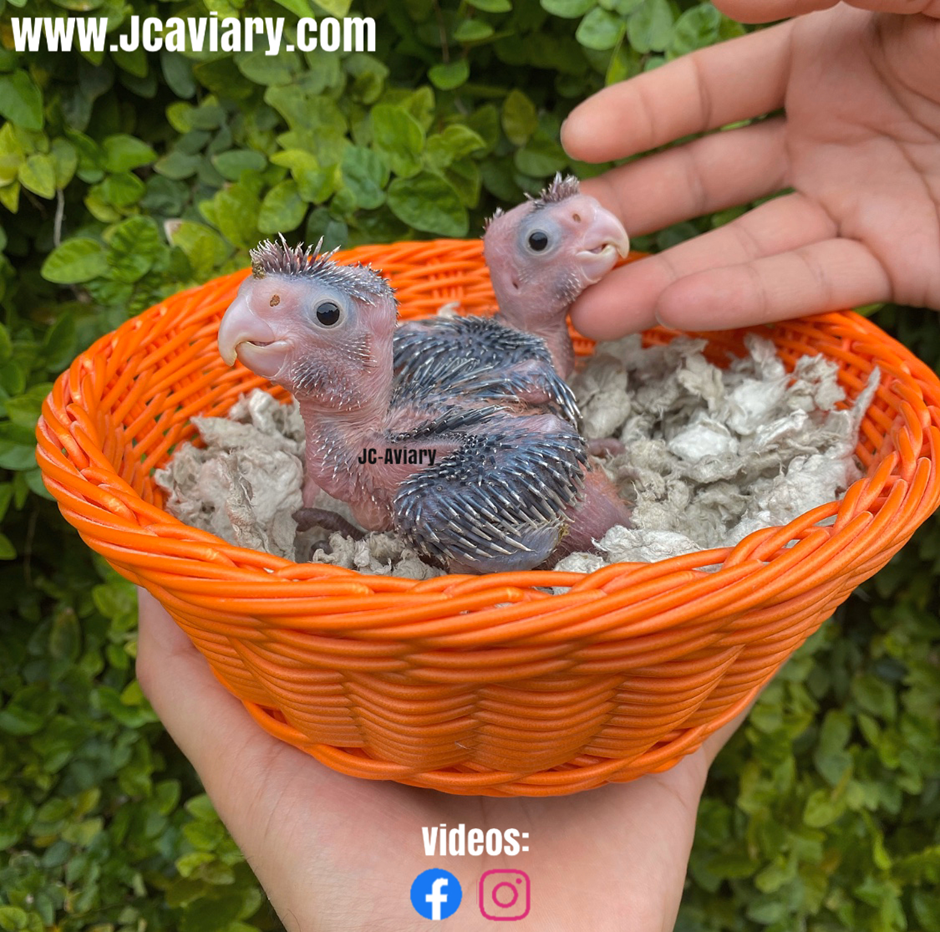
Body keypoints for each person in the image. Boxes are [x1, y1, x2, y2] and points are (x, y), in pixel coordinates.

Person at [136, 1, 940, 928]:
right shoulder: (385, 429)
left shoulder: (422, 476)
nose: (263, 321)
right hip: (506, 465)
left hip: (554, 516)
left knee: (428, 489)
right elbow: (414, 440)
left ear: (375, 337)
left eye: (319, 316)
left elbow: (461, 448)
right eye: (274, 306)